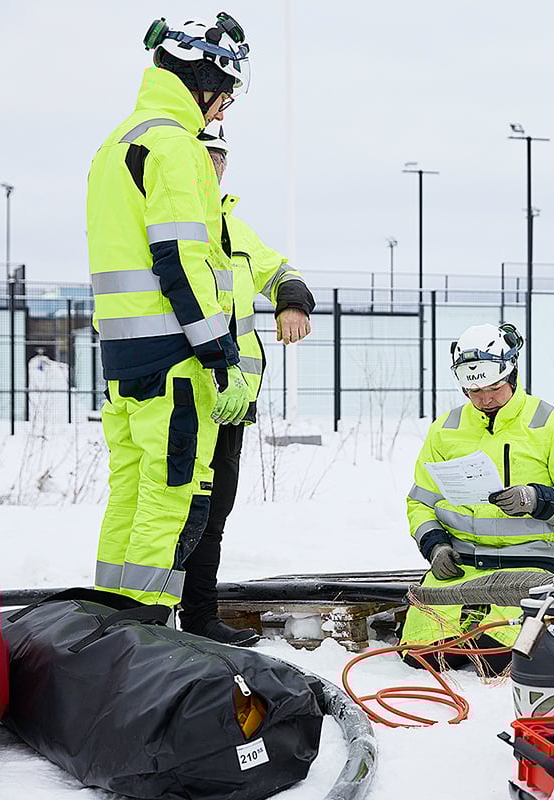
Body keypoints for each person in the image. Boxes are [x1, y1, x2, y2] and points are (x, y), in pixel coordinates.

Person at [87, 13, 252, 609]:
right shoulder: (175, 146)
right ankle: (148, 636)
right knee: (168, 498)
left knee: (128, 492)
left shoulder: (117, 143)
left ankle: (107, 625)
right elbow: (181, 261)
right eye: (224, 94)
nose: (224, 111)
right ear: (202, 78)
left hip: (125, 358)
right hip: (176, 360)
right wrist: (219, 354)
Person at [179, 124, 316, 645]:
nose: (212, 172)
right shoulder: (169, 228)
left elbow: (281, 271)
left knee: (214, 513)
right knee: (175, 511)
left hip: (231, 403)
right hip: (181, 399)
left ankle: (198, 619)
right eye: (203, 161)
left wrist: (292, 302)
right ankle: (152, 623)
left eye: (219, 162)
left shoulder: (233, 231)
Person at [402, 323, 554, 669]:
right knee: (422, 657)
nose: (485, 398)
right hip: (458, 569)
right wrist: (434, 544)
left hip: (529, 570)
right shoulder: (444, 429)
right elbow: (420, 502)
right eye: (474, 390)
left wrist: (537, 499)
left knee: (497, 658)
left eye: (494, 387)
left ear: (512, 372)